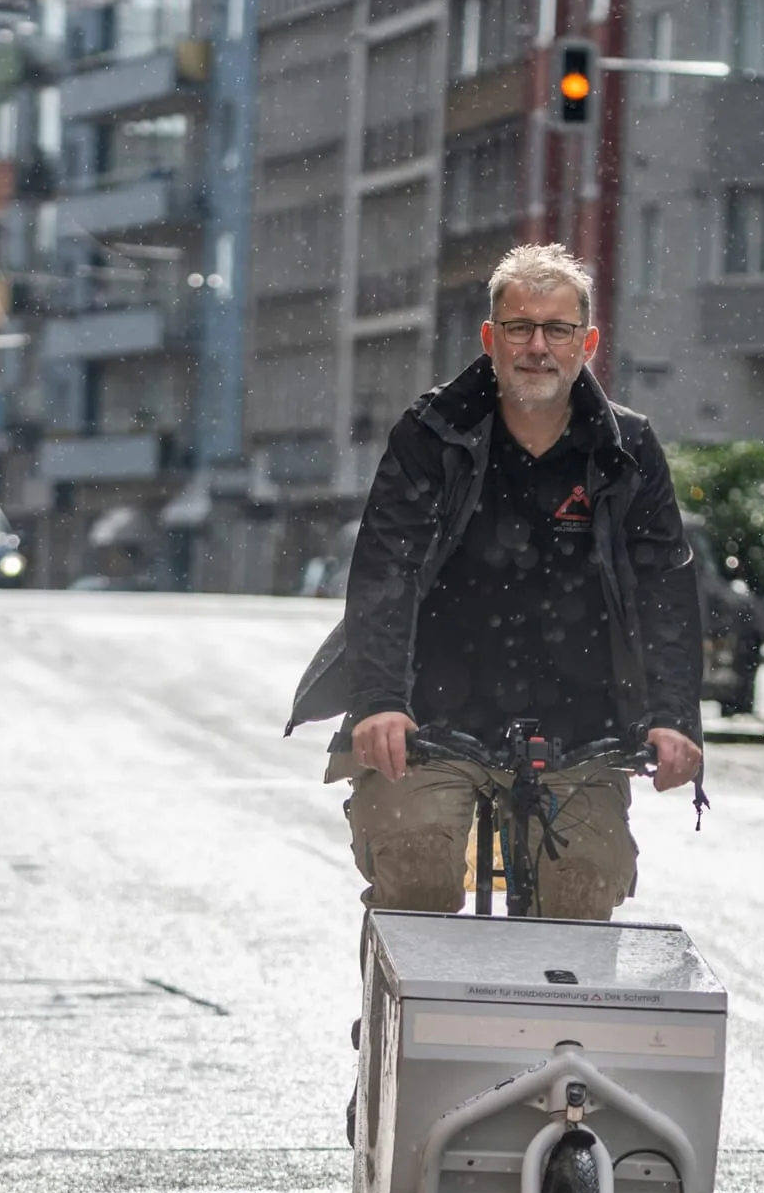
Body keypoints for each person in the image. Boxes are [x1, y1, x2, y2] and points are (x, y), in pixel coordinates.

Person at [287, 243, 703, 921]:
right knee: (416, 864)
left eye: (558, 329)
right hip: (431, 717)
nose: (537, 346)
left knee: (583, 890)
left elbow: (665, 587)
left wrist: (674, 716)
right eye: (519, 327)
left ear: (586, 343)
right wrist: (380, 700)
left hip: (582, 724)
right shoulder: (432, 433)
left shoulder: (628, 449)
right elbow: (384, 572)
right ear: (490, 337)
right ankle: (400, 1010)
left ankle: (552, 1030)